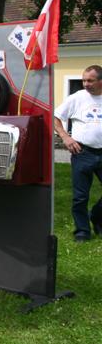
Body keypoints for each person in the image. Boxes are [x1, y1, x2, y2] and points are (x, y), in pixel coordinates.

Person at [54, 65, 102, 243]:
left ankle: (96, 217)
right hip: (82, 152)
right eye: (83, 80)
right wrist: (66, 137)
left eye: (90, 80)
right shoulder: (77, 98)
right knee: (80, 196)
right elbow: (56, 117)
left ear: (100, 81)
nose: (85, 84)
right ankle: (82, 231)